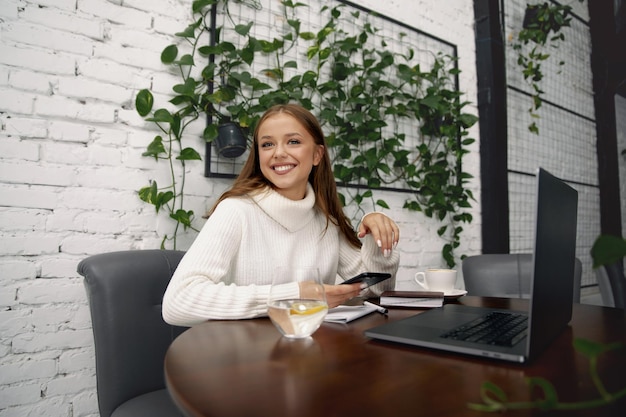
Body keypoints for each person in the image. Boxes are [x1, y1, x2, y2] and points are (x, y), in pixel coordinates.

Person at [162, 103, 400, 326]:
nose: (278, 153)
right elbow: (178, 302)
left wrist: (378, 242)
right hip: (243, 359)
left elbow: (374, 292)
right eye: (267, 144)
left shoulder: (325, 220)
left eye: (293, 141)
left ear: (317, 155)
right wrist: (296, 295)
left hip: (305, 350)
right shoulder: (235, 210)